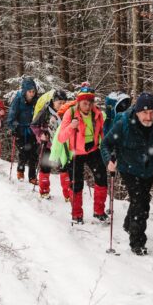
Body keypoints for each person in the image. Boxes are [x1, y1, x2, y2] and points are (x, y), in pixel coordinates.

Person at [101, 92, 153, 256]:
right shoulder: (123, 123)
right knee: (141, 202)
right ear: (137, 112)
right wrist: (108, 162)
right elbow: (106, 144)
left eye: (152, 112)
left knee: (141, 199)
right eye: (145, 113)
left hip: (149, 167)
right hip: (128, 167)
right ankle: (137, 242)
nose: (149, 117)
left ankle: (128, 223)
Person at [57, 84, 108, 224]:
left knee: (102, 179)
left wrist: (108, 147)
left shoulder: (96, 113)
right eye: (85, 102)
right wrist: (71, 126)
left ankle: (99, 211)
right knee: (76, 184)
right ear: (79, 102)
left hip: (93, 150)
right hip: (76, 153)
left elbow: (103, 132)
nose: (88, 105)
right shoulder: (71, 113)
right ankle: (76, 214)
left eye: (90, 102)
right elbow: (61, 137)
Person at [31, 89, 69, 199]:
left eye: (63, 103)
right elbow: (34, 125)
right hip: (47, 144)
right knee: (45, 167)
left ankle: (68, 193)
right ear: (53, 101)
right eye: (59, 103)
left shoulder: (67, 112)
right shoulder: (45, 111)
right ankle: (44, 191)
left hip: (62, 145)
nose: (61, 105)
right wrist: (41, 135)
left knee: (65, 168)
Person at [7, 78, 39, 183]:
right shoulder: (18, 100)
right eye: (30, 91)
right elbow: (11, 116)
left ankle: (32, 177)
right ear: (25, 91)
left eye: (33, 91)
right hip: (20, 130)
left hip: (33, 130)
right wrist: (13, 127)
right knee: (24, 152)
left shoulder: (36, 101)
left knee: (34, 154)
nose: (32, 94)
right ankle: (20, 170)